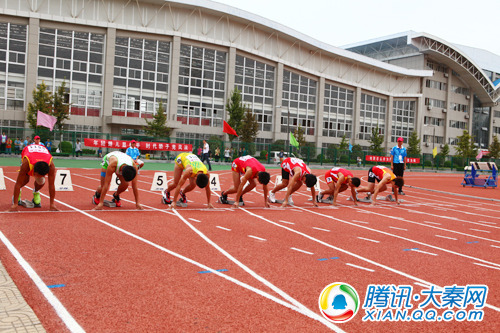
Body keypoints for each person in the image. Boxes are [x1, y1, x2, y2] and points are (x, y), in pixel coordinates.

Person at [8, 142, 58, 211]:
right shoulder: (26, 164)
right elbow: (18, 183)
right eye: (37, 175)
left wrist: (52, 204)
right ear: (34, 171)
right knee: (25, 180)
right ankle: (17, 194)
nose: (35, 177)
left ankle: (36, 192)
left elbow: (51, 185)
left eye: (41, 176)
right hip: (28, 152)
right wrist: (15, 205)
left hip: (41, 154)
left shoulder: (51, 165)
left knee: (41, 181)